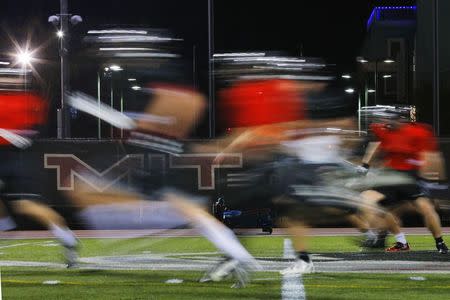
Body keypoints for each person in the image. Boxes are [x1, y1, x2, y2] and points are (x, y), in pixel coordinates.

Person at [0, 88, 78, 266]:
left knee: (26, 205)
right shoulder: (27, 98)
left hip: (17, 155)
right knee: (24, 205)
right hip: (13, 153)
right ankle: (4, 227)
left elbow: (32, 129)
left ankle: (68, 238)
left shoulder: (25, 99)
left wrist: (11, 133)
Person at [359, 110, 448, 254]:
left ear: (402, 120)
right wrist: (365, 165)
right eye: (387, 119)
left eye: (391, 119)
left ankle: (440, 243)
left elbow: (432, 156)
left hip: (410, 176)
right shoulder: (384, 129)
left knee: (426, 208)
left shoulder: (419, 132)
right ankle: (396, 241)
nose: (388, 122)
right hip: (390, 176)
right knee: (367, 201)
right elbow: (376, 144)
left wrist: (436, 181)